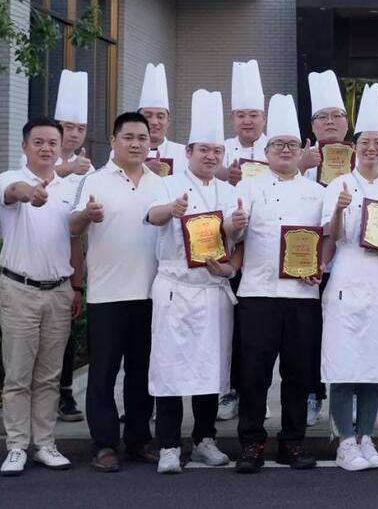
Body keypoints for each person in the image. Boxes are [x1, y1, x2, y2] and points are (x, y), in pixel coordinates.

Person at [224, 94, 326, 474]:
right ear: (266, 151)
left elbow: (326, 239)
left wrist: (320, 265)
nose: (285, 150)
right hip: (257, 293)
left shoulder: (318, 193)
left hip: (302, 295)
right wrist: (233, 226)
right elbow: (231, 236)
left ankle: (292, 443)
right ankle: (251, 444)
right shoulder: (248, 188)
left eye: (292, 145)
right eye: (279, 144)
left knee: (298, 373)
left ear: (302, 152)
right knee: (253, 373)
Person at [144, 90, 238, 473]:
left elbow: (233, 237)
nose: (211, 157)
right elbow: (151, 216)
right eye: (204, 150)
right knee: (169, 367)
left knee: (209, 369)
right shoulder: (166, 184)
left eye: (217, 151)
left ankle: (204, 439)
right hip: (175, 287)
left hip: (212, 288)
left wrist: (235, 226)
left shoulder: (228, 191)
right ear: (188, 151)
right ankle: (168, 444)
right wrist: (172, 210)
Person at [70, 112, 163, 472]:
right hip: (107, 295)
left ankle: (139, 439)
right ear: (113, 141)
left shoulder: (161, 183)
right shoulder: (95, 180)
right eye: (128, 137)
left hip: (150, 294)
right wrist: (87, 215)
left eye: (142, 138)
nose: (136, 144)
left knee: (142, 373)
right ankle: (104, 444)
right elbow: (72, 226)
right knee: (103, 375)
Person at [321, 84, 378, 471]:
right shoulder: (338, 185)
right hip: (348, 272)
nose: (372, 148)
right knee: (344, 361)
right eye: (365, 142)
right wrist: (339, 210)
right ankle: (344, 441)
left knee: (375, 360)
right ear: (354, 146)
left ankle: (366, 437)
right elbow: (332, 237)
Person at [0, 119, 84, 475]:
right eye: (38, 142)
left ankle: (45, 443)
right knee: (18, 374)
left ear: (60, 148)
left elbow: (74, 238)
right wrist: (30, 193)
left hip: (59, 291)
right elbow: (14, 192)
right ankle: (16, 445)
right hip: (19, 290)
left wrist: (77, 285)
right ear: (25, 146)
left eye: (52, 143)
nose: (46, 148)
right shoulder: (9, 178)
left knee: (49, 375)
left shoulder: (71, 188)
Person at [217, 59, 267, 422]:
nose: (247, 121)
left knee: (259, 332)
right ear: (232, 119)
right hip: (227, 252)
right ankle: (231, 390)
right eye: (240, 115)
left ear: (263, 118)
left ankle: (256, 394)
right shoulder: (218, 150)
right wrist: (223, 175)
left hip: (266, 254)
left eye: (253, 115)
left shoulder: (278, 147)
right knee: (232, 328)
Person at [302, 70, 351, 426]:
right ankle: (312, 393)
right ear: (313, 125)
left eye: (337, 116)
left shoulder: (364, 157)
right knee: (310, 332)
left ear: (347, 123)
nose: (330, 122)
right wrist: (302, 166)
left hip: (349, 262)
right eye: (323, 117)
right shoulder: (298, 158)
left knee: (347, 331)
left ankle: (345, 397)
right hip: (306, 262)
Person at [51, 70, 93, 423]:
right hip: (39, 259)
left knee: (67, 333)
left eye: (81, 127)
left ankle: (65, 392)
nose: (75, 133)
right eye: (69, 126)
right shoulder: (36, 161)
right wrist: (68, 168)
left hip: (72, 261)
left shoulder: (88, 170)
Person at [136, 63, 187, 175]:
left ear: (168, 121)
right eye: (148, 116)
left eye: (160, 116)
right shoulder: (121, 151)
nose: (154, 122)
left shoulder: (184, 153)